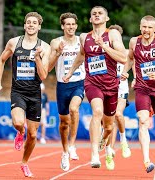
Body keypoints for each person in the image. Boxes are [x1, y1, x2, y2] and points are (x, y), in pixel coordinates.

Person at [63, 6, 127, 170]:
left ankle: (103, 139)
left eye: (100, 14)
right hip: (92, 82)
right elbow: (81, 56)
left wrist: (104, 46)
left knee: (108, 127)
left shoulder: (112, 35)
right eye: (94, 14)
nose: (97, 15)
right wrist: (70, 72)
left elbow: (123, 58)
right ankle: (94, 154)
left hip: (112, 85)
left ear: (107, 19)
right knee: (96, 112)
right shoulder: (84, 37)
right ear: (90, 19)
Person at [0, 12, 50, 178]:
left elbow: (44, 75)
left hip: (34, 93)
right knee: (19, 122)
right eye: (28, 22)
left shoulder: (44, 47)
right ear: (25, 25)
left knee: (33, 135)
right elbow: (1, 60)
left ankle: (24, 163)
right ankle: (19, 132)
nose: (31, 25)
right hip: (18, 91)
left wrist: (38, 57)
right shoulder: (14, 42)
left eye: (34, 23)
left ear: (39, 26)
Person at [121, 15, 155, 173]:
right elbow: (130, 59)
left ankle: (154, 111)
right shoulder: (133, 42)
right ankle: (146, 160)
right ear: (140, 27)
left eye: (150, 27)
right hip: (142, 87)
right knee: (143, 121)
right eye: (144, 27)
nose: (146, 30)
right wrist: (125, 72)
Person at [48, 12, 85, 171]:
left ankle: (72, 145)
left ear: (76, 26)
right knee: (64, 123)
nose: (70, 27)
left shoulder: (82, 40)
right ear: (62, 26)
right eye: (67, 24)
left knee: (74, 109)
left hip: (79, 82)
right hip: (62, 85)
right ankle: (64, 152)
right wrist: (57, 53)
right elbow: (48, 67)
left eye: (73, 24)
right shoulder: (56, 42)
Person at [104, 25, 131, 169]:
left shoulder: (126, 52)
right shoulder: (104, 51)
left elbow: (135, 64)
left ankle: (123, 139)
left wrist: (128, 73)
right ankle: (109, 153)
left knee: (118, 114)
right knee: (108, 123)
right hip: (107, 88)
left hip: (121, 88)